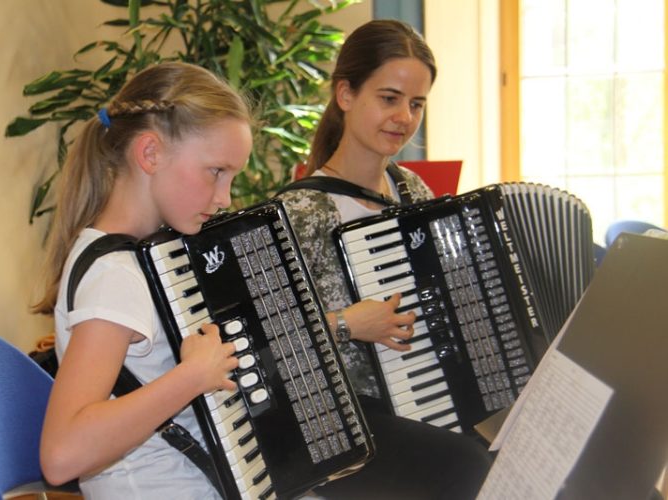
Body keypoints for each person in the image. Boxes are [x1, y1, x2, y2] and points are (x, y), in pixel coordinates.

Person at [277, 19, 493, 499]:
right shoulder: (300, 209)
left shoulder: (410, 189)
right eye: (389, 98)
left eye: (416, 104)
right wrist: (347, 323)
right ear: (346, 94)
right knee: (466, 467)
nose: (404, 117)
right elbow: (274, 345)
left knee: (515, 447)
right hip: (341, 416)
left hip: (422, 388)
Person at [33, 61, 253, 499]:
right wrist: (193, 375)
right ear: (150, 153)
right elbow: (61, 455)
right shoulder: (116, 275)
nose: (224, 197)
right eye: (215, 171)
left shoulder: (141, 256)